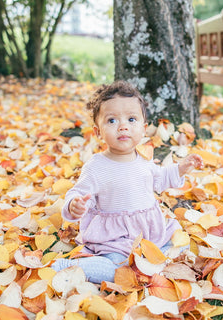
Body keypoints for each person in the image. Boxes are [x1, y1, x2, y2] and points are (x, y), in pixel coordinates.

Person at [52, 80, 203, 283]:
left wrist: (182, 167)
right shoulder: (96, 166)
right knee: (119, 271)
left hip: (149, 232)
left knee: (181, 243)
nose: (123, 126)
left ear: (144, 128)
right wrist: (74, 205)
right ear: (98, 132)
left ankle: (155, 261)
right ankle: (68, 267)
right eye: (112, 121)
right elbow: (77, 192)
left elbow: (161, 178)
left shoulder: (143, 160)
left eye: (131, 119)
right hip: (115, 238)